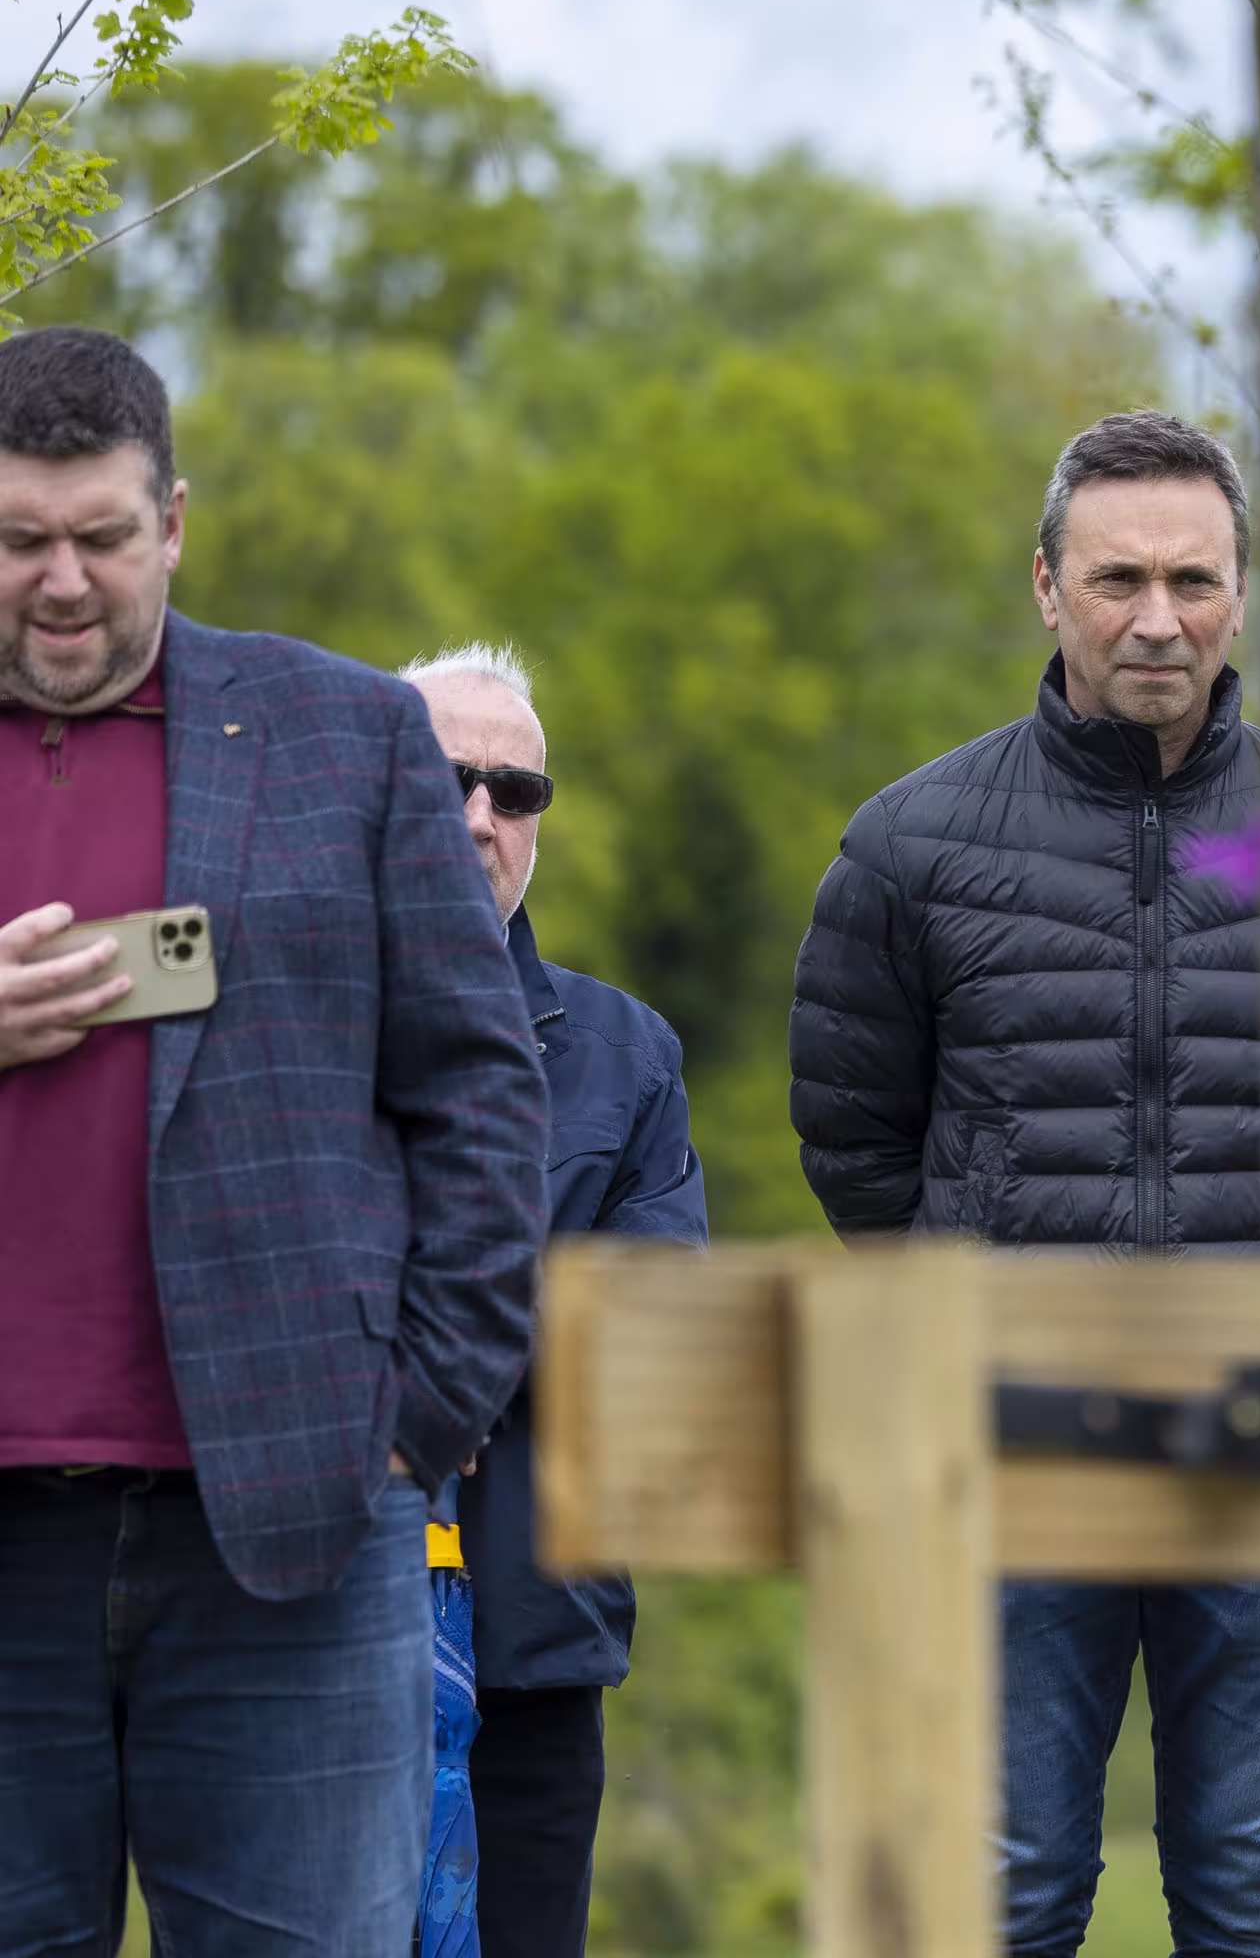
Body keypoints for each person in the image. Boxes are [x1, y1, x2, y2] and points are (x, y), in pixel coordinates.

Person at [790, 409, 1260, 1958]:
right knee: (1004, 1887)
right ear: (1046, 589)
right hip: (1009, 1449)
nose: (1160, 618)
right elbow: (857, 1146)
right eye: (1119, 579)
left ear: (1243, 600)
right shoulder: (912, 843)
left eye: (1196, 581)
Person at [0, 324, 549, 1955]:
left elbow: (478, 1086)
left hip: (292, 1539)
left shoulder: (343, 734)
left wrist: (418, 1421)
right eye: (20, 541)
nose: (65, 582)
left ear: (175, 521)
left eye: (103, 537)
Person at [404, 645, 708, 1958]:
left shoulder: (625, 1055)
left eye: (515, 790)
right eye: (446, 779)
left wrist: (429, 1360)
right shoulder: (272, 1008)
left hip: (535, 1627)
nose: (481, 816)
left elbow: (652, 1331)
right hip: (290, 1634)